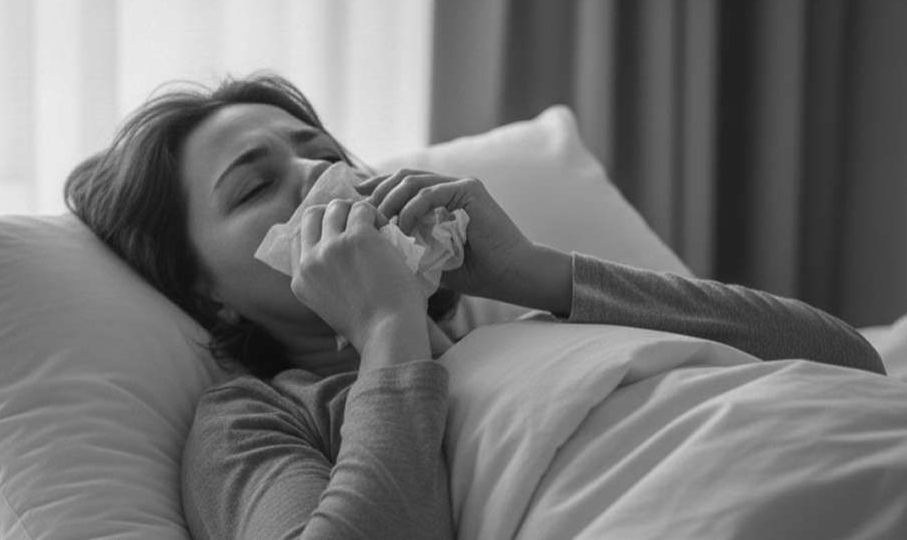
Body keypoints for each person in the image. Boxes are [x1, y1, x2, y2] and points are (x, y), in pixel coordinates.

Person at [65, 73, 886, 539]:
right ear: (204, 292)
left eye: (324, 153)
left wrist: (532, 272)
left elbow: (849, 362)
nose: (319, 177)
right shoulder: (261, 418)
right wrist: (386, 329)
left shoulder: (539, 322)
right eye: (255, 186)